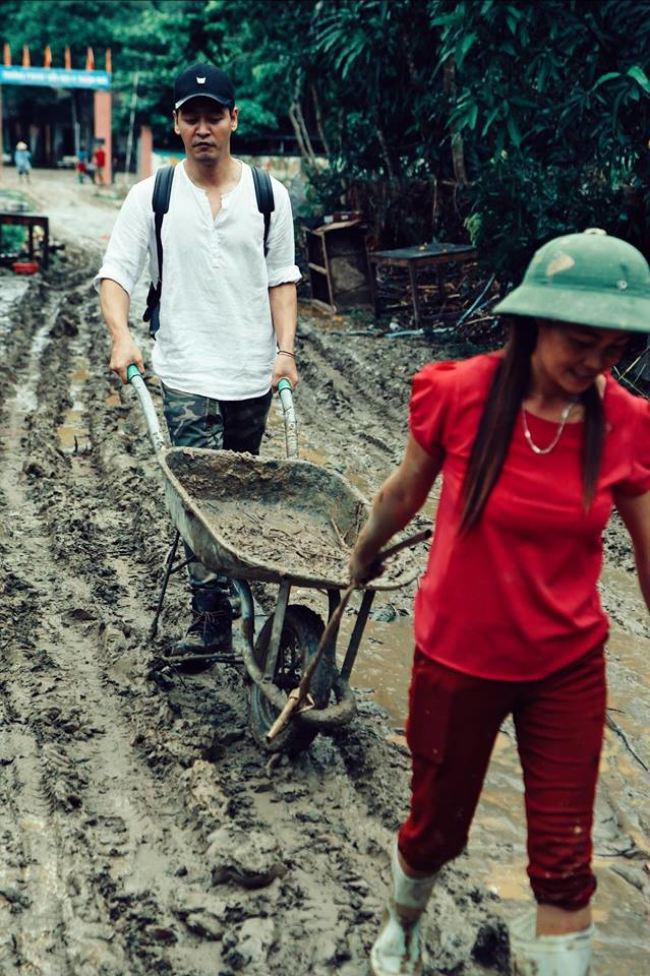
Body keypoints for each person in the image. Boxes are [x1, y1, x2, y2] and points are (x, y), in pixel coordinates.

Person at [350, 229, 650, 976]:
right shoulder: (461, 393)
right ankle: (403, 922)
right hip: (459, 657)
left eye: (615, 351)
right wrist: (361, 552)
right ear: (530, 324)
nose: (595, 365)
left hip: (566, 665)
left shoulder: (629, 425)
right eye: (581, 343)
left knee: (563, 859)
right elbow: (403, 494)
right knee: (436, 829)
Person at [96, 62, 300, 670]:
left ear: (234, 119)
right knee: (197, 498)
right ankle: (210, 618)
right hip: (184, 370)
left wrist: (284, 351)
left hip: (251, 374)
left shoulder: (269, 196)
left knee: (240, 498)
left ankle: (233, 590)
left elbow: (281, 279)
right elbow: (115, 275)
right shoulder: (151, 196)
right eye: (192, 116)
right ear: (177, 123)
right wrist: (121, 336)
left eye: (215, 115)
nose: (204, 127)